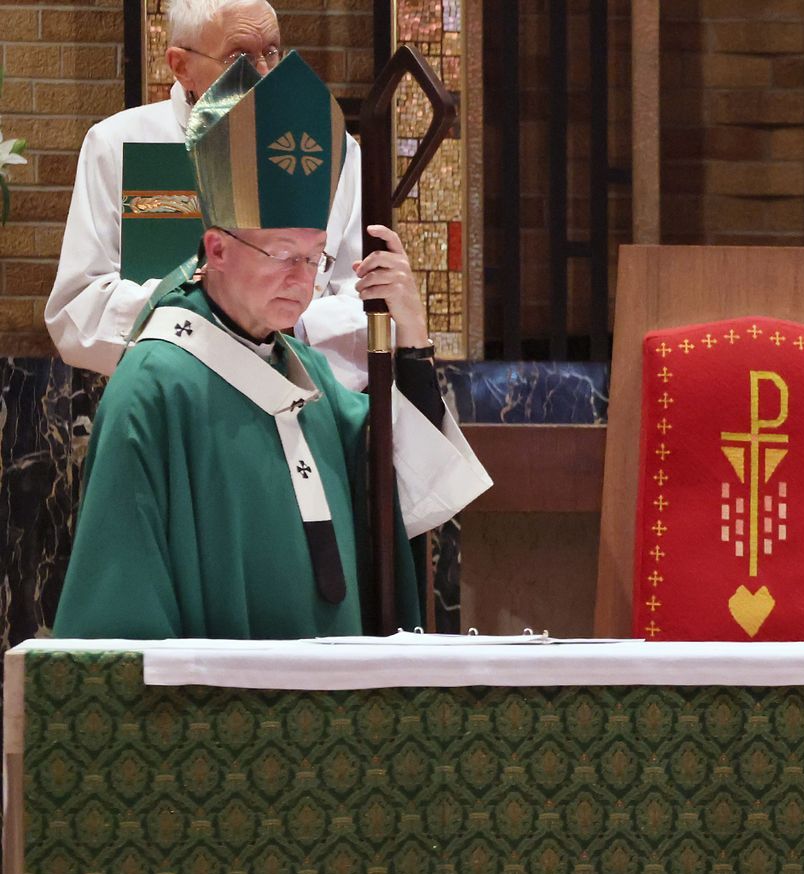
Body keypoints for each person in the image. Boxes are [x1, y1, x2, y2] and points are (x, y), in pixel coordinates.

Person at [52, 51, 489, 641]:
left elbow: (402, 485)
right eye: (282, 254)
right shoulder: (153, 386)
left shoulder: (307, 374)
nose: (302, 279)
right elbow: (121, 610)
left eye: (314, 258)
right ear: (216, 250)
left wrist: (410, 339)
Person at [45, 0, 370, 388]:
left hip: (296, 395)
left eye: (271, 52)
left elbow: (365, 302)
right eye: (240, 58)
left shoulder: (327, 149)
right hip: (166, 394)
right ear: (181, 66)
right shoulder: (118, 143)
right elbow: (78, 312)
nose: (264, 73)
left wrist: (281, 322)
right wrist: (209, 313)